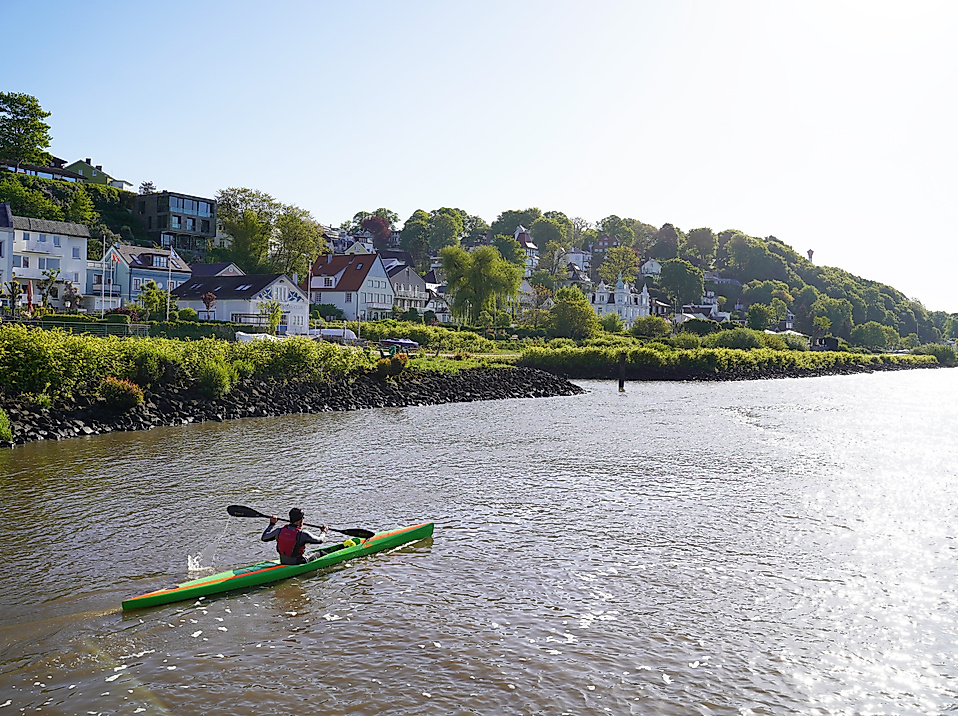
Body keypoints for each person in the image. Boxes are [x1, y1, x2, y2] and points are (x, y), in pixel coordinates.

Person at [261, 507, 330, 565]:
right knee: (320, 553)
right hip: (298, 562)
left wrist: (272, 524)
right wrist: (324, 531)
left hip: (283, 561)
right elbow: (320, 540)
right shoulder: (303, 534)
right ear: (301, 520)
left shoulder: (279, 531)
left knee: (307, 553)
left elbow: (264, 538)